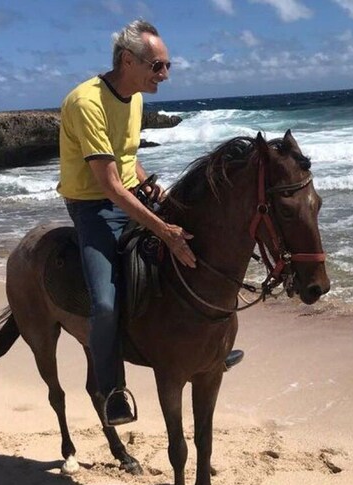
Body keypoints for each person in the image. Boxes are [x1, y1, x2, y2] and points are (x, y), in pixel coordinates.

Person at [57, 19, 240, 427]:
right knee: (104, 303)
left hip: (129, 193)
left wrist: (148, 184)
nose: (165, 75)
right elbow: (106, 184)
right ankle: (112, 390)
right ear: (127, 60)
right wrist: (164, 230)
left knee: (199, 250)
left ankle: (211, 350)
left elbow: (125, 157)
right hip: (92, 205)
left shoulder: (135, 97)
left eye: (167, 65)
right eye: (157, 66)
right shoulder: (87, 103)